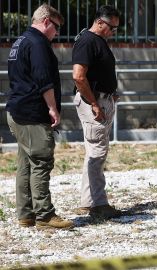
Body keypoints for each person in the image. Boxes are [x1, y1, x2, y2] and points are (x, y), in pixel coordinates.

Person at [6, 4, 74, 229]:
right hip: (33, 113)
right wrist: (53, 109)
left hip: (17, 111)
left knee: (26, 163)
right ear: (46, 21)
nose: (57, 33)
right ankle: (45, 216)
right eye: (56, 28)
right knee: (42, 162)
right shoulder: (38, 44)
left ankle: (26, 215)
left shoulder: (21, 41)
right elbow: (44, 80)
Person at [72, 5, 122, 219]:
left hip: (102, 98)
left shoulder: (97, 41)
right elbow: (78, 77)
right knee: (97, 153)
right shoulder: (87, 41)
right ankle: (98, 204)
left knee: (94, 151)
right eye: (112, 27)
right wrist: (94, 103)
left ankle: (88, 201)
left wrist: (110, 92)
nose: (113, 32)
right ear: (100, 22)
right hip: (94, 101)